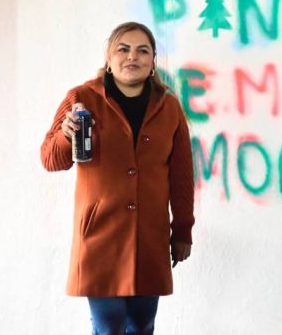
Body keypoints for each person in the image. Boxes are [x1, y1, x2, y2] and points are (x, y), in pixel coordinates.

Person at [41, 21, 195, 334]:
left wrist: (182, 230)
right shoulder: (81, 98)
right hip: (100, 234)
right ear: (109, 59)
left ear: (153, 62)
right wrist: (65, 136)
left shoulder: (169, 108)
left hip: (149, 234)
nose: (132, 57)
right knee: (107, 325)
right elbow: (50, 159)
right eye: (122, 49)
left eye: (143, 50)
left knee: (142, 324)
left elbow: (181, 175)